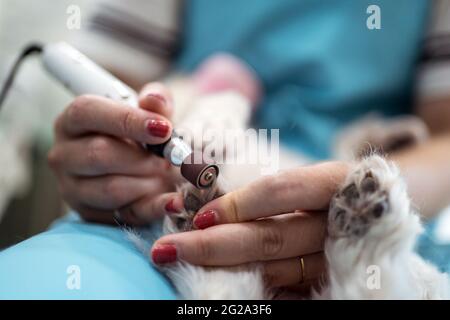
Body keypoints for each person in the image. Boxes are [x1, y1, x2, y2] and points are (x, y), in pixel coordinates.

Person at [3, 0, 450, 298]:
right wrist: (103, 159)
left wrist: (352, 202)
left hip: (387, 210)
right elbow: (114, 92)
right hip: (142, 225)